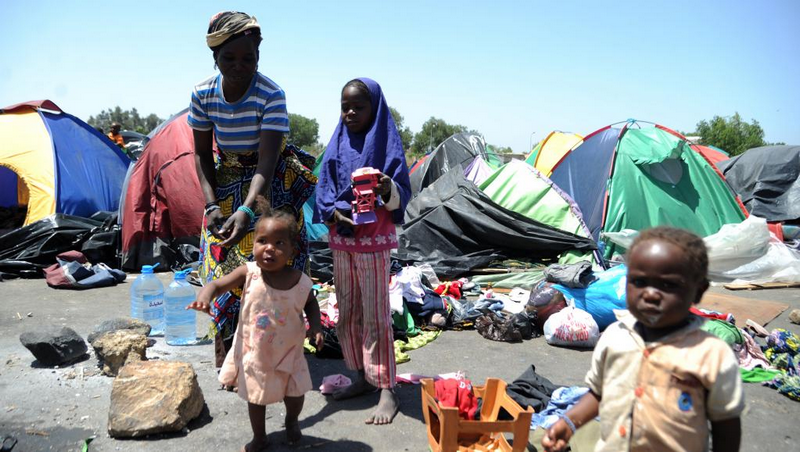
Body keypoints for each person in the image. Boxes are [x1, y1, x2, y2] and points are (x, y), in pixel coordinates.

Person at [188, 11, 314, 373]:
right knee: (220, 261)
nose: (240, 66)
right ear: (215, 58)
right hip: (224, 179)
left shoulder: (271, 94)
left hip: (269, 184)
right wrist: (212, 204)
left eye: (249, 58)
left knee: (273, 263)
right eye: (229, 58)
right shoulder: (202, 93)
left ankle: (276, 348)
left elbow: (267, 161)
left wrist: (246, 211)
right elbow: (200, 154)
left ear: (259, 57)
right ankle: (226, 347)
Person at [542, 226, 744, 452]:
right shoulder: (615, 337)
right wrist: (568, 423)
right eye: (639, 282)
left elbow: (725, 425)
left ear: (698, 290)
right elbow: (599, 393)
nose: (650, 293)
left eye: (668, 285)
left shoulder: (711, 354)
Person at [313, 78, 412, 425]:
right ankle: (360, 375)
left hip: (373, 241)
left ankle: (387, 387)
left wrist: (388, 188)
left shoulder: (386, 145)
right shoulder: (337, 143)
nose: (351, 112)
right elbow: (324, 190)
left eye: (359, 106)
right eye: (345, 106)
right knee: (348, 310)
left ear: (376, 109)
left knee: (376, 314)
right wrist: (336, 213)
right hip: (342, 240)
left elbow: (401, 195)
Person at [187, 199, 324, 450]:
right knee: (255, 397)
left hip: (290, 352)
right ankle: (259, 436)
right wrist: (205, 295)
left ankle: (292, 420)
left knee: (295, 393)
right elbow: (218, 284)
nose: (269, 249)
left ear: (293, 250)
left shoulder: (300, 280)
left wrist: (316, 327)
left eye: (279, 243)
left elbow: (311, 303)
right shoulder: (248, 273)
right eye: (262, 241)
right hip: (256, 353)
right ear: (254, 245)